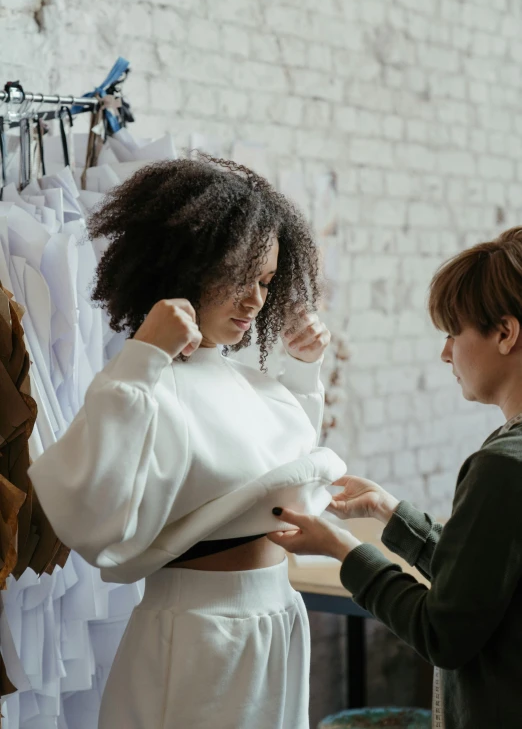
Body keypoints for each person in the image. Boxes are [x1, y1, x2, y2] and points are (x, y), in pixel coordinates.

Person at [28, 157, 347, 729]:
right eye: (239, 276)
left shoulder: (240, 380)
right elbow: (89, 515)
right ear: (187, 266)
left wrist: (302, 369)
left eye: (267, 282)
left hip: (276, 615)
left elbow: (280, 473)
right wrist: (144, 357)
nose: (254, 301)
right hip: (202, 635)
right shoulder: (140, 386)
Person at [268, 227, 522, 729]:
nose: (445, 354)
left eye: (453, 333)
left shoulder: (502, 466)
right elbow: (479, 585)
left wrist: (343, 550)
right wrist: (391, 513)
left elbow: (443, 632)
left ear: (505, 333)